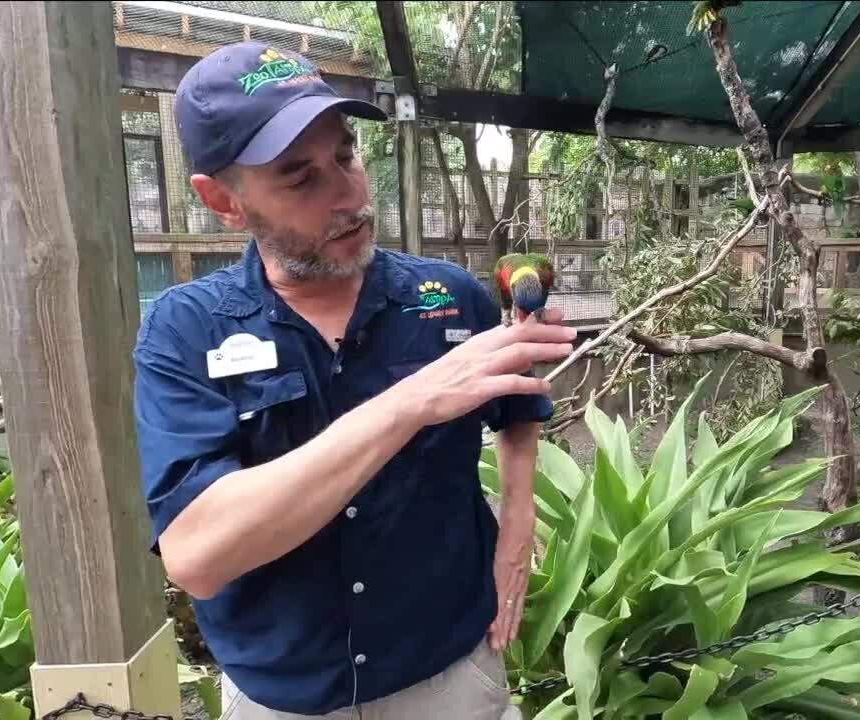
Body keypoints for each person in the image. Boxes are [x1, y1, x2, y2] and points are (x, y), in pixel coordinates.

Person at [131, 41, 576, 719]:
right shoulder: (185, 330)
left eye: (345, 155)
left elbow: (517, 404)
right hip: (283, 697)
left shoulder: (449, 297)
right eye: (300, 177)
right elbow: (197, 553)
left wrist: (518, 516)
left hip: (450, 674)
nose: (349, 194)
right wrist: (409, 404)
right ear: (223, 200)